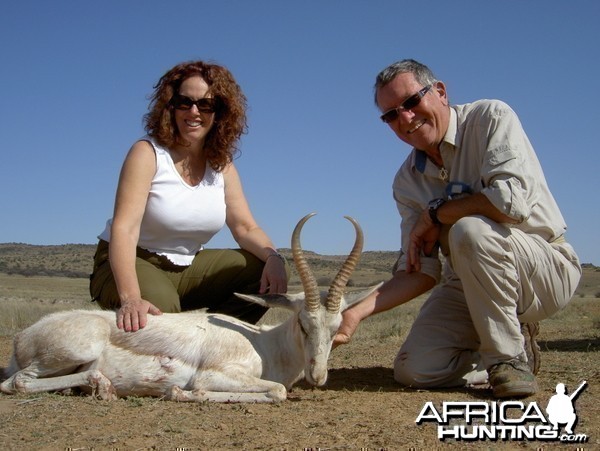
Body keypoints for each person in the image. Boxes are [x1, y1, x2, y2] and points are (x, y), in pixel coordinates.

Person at [333, 59, 581, 398]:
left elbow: (510, 204)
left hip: (542, 269)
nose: (405, 118)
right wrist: (354, 314)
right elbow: (419, 270)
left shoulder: (490, 118)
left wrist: (436, 214)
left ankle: (507, 360)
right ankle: (499, 351)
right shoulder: (407, 182)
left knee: (469, 230)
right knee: (414, 369)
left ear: (440, 92)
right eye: (391, 115)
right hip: (466, 283)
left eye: (411, 102)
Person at [90, 60, 288, 332]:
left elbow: (245, 227)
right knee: (163, 316)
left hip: (186, 267)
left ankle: (214, 345)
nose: (194, 111)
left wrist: (275, 259)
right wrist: (131, 298)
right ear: (170, 106)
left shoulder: (222, 165)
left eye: (206, 105)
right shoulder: (147, 153)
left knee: (259, 270)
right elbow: (125, 229)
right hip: (132, 263)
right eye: (185, 102)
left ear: (220, 113)